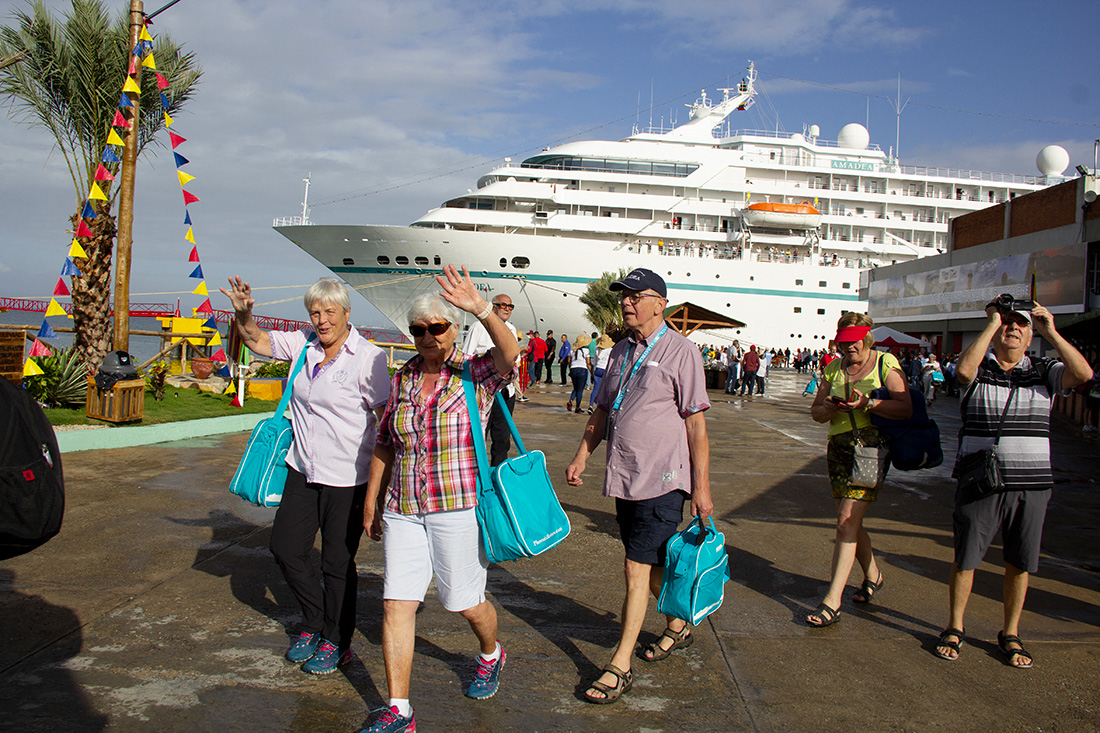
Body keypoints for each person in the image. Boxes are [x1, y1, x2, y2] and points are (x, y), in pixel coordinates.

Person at [360, 265, 520, 733]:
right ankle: (400, 710)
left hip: (457, 505)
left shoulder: (474, 373)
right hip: (404, 507)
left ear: (454, 329)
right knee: (396, 604)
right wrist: (372, 501)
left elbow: (510, 353)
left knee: (463, 603)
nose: (428, 337)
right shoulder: (404, 378)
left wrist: (482, 309)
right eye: (418, 330)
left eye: (437, 327)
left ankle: (490, 652)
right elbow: (385, 443)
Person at [220, 276, 391, 674]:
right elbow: (255, 340)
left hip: (348, 479)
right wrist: (243, 312)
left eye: (330, 311)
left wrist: (380, 492)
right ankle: (314, 622)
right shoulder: (303, 345)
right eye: (315, 312)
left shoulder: (369, 358)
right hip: (303, 469)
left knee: (336, 563)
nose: (322, 319)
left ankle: (337, 640)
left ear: (346, 313)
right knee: (285, 549)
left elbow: (385, 425)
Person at [566, 267, 713, 705]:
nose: (626, 302)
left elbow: (696, 426)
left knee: (635, 567)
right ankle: (678, 624)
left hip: (665, 478)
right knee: (650, 564)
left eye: (635, 296)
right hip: (625, 477)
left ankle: (620, 665)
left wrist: (702, 489)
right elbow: (602, 410)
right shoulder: (619, 351)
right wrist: (582, 455)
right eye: (624, 296)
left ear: (659, 304)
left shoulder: (682, 352)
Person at [933, 299, 1091, 667]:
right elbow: (963, 371)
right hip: (980, 481)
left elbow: (1083, 375)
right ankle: (955, 627)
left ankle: (1011, 632)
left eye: (1021, 324)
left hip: (1032, 483)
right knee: (966, 557)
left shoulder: (1045, 370)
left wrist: (1052, 332)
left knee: (1019, 561)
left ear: (1031, 335)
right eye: (1008, 323)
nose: (1013, 329)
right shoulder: (980, 367)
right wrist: (992, 322)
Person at [807, 312, 912, 627]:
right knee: (850, 522)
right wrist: (827, 408)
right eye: (844, 342)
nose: (849, 347)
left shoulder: (885, 363)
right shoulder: (834, 368)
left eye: (854, 341)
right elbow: (816, 412)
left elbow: (905, 407)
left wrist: (868, 403)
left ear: (867, 338)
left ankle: (832, 600)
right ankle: (873, 575)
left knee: (845, 521)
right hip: (839, 449)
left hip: (871, 448)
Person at [463, 292, 520, 466]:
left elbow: (514, 359)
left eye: (510, 306)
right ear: (493, 307)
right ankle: (477, 473)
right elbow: (466, 356)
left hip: (505, 391)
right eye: (503, 305)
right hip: (483, 391)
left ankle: (498, 473)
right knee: (479, 435)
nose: (507, 309)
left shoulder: (511, 329)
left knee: (502, 437)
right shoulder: (478, 327)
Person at [588, 334, 614, 414]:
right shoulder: (610, 350)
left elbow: (594, 361)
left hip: (598, 369)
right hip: (605, 370)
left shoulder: (597, 349)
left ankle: (591, 405)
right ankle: (601, 407)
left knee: (596, 389)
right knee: (605, 389)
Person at [567, 334, 592, 414]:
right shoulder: (586, 351)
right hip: (582, 369)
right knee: (580, 389)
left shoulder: (572, 350)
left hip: (573, 369)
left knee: (575, 388)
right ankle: (577, 407)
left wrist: (570, 369)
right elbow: (588, 363)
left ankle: (571, 401)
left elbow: (569, 361)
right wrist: (591, 372)